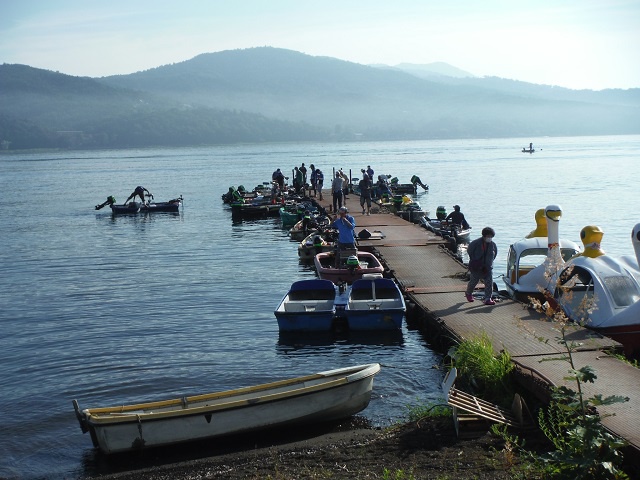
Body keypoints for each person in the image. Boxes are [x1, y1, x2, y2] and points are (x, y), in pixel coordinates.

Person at [465, 227, 498, 305]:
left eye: (491, 236)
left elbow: (495, 254)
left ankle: (488, 298)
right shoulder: (475, 243)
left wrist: (490, 263)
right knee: (474, 281)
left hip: (487, 267)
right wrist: (474, 260)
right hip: (476, 266)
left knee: (489, 282)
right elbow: (469, 251)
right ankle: (468, 293)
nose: (489, 238)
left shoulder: (493, 245)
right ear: (484, 235)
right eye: (488, 236)